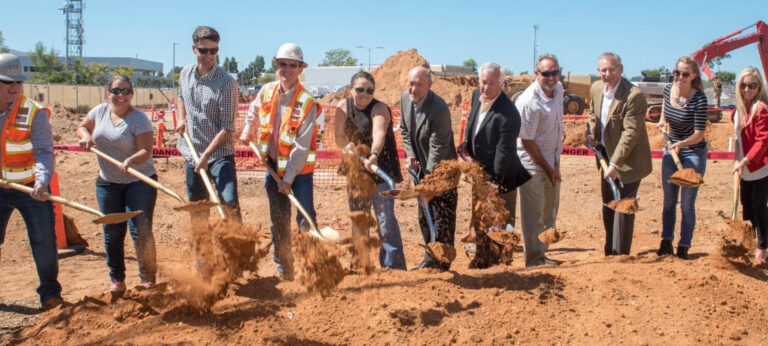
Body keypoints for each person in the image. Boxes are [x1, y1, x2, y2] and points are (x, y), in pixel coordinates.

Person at [239, 43, 321, 280]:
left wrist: (288, 179)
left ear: (299, 69)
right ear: (276, 66)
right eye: (282, 64)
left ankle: (312, 266)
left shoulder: (306, 102)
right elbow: (254, 112)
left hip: (300, 171)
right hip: (272, 165)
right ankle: (285, 267)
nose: (286, 69)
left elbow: (301, 147)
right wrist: (247, 130)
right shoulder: (266, 90)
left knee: (305, 218)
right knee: (279, 219)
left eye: (292, 65)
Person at [77, 75, 158, 292]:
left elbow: (146, 151)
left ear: (132, 94)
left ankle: (148, 278)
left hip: (139, 180)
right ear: (108, 93)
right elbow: (82, 126)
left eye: (125, 91)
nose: (120, 95)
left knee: (140, 230)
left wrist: (130, 160)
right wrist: (85, 135)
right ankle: (117, 280)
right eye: (116, 91)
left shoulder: (139, 119)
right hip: (108, 181)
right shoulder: (99, 112)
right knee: (112, 231)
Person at [0, 53, 63, 309]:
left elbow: (44, 152)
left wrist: (41, 180)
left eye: (18, 82)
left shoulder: (34, 113)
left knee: (44, 240)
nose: (15, 87)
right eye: (8, 82)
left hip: (29, 187)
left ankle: (49, 294)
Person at [459, 62, 531, 269]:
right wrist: (467, 142)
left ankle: (501, 264)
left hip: (503, 177)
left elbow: (504, 151)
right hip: (480, 171)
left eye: (491, 83)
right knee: (480, 217)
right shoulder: (476, 95)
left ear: (501, 84)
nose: (486, 87)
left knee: (500, 222)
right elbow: (474, 122)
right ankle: (481, 258)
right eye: (483, 82)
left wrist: (493, 183)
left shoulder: (508, 113)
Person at [334, 71, 406, 270]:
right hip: (356, 171)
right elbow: (338, 136)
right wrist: (346, 146)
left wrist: (373, 155)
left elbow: (379, 134)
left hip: (380, 168)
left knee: (385, 220)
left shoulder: (379, 108)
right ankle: (360, 264)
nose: (364, 94)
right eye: (359, 89)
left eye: (369, 90)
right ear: (351, 90)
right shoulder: (343, 107)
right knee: (359, 218)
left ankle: (394, 266)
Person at [585, 52, 651, 256]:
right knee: (608, 205)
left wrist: (615, 164)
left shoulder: (634, 95)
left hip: (628, 161)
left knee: (623, 207)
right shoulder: (596, 88)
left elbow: (630, 134)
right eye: (603, 70)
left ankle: (621, 255)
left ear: (621, 69)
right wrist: (590, 134)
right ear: (598, 71)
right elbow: (592, 114)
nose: (607, 74)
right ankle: (609, 251)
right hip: (606, 157)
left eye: (611, 69)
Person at [175, 26, 241, 224]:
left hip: (219, 156)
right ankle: (203, 254)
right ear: (194, 49)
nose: (209, 55)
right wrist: (181, 118)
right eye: (204, 50)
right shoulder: (185, 74)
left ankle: (237, 251)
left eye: (214, 50)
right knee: (198, 209)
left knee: (229, 203)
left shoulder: (226, 83)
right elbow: (180, 96)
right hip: (192, 152)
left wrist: (205, 157)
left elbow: (227, 127)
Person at [400, 66, 457, 271]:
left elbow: (438, 147)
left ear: (429, 85)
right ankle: (429, 258)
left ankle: (443, 262)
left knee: (442, 215)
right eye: (410, 83)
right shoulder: (405, 99)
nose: (413, 89)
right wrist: (410, 154)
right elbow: (405, 130)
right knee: (424, 215)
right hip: (422, 168)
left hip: (442, 169)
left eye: (418, 85)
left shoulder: (439, 108)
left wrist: (429, 183)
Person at [655, 57, 708, 260]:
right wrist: (662, 120)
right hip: (671, 150)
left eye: (685, 74)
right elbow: (665, 107)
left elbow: (699, 133)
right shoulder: (669, 90)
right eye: (676, 73)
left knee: (687, 203)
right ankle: (666, 241)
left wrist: (680, 144)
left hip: (693, 152)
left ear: (693, 75)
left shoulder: (699, 99)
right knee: (669, 201)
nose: (679, 77)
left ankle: (684, 246)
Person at [515, 54, 564, 267]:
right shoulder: (529, 102)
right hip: (532, 165)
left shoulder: (559, 89)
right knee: (533, 216)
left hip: (551, 161)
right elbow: (527, 141)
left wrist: (554, 164)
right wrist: (548, 168)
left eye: (555, 72)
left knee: (549, 212)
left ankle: (542, 254)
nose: (551, 77)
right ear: (537, 74)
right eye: (546, 73)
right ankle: (534, 261)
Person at [731, 67, 768, 262]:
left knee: (759, 205)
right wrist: (737, 160)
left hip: (761, 165)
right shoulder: (738, 110)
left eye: (752, 85)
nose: (747, 89)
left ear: (759, 86)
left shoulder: (760, 109)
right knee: (747, 206)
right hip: (745, 167)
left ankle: (763, 247)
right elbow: (738, 139)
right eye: (744, 85)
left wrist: (746, 160)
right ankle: (749, 242)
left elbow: (763, 140)